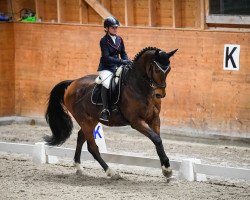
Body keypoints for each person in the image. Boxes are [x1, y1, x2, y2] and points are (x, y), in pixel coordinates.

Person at [97, 16, 132, 122]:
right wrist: (122, 61)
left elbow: (123, 53)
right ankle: (105, 110)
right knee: (107, 83)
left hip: (118, 66)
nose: (115, 29)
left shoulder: (119, 39)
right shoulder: (103, 41)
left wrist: (127, 61)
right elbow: (106, 57)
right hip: (106, 67)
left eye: (116, 27)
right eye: (113, 27)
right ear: (107, 28)